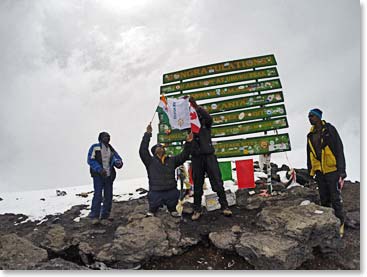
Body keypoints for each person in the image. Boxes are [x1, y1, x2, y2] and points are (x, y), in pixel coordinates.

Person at [189, 97, 232, 220]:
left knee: (217, 181)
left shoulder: (205, 123)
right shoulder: (188, 125)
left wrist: (197, 107)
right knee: (197, 184)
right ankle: (197, 209)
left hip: (209, 155)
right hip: (196, 158)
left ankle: (225, 206)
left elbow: (209, 119)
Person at [306, 108, 346, 237]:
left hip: (332, 170)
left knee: (335, 198)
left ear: (318, 117)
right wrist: (310, 172)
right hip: (319, 171)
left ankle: (340, 223)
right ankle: (328, 224)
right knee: (324, 198)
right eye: (308, 116)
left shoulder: (329, 130)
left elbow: (339, 149)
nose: (309, 118)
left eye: (312, 116)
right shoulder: (310, 135)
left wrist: (342, 170)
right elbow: (309, 154)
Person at [139, 123, 193, 217]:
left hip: (170, 190)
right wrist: (147, 134)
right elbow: (143, 150)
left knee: (173, 198)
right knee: (154, 202)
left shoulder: (171, 160)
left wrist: (188, 143)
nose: (160, 148)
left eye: (162, 147)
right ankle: (152, 210)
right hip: (156, 191)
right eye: (157, 147)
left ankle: (172, 209)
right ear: (154, 151)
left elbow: (183, 156)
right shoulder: (150, 161)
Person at [87, 132, 123, 223]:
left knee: (108, 195)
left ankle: (105, 215)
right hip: (98, 175)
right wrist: (99, 169)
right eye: (105, 136)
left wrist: (118, 163)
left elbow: (117, 159)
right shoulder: (95, 147)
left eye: (108, 136)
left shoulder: (111, 149)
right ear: (100, 138)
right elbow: (90, 160)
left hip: (109, 176)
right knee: (98, 194)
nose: (107, 138)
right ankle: (94, 216)